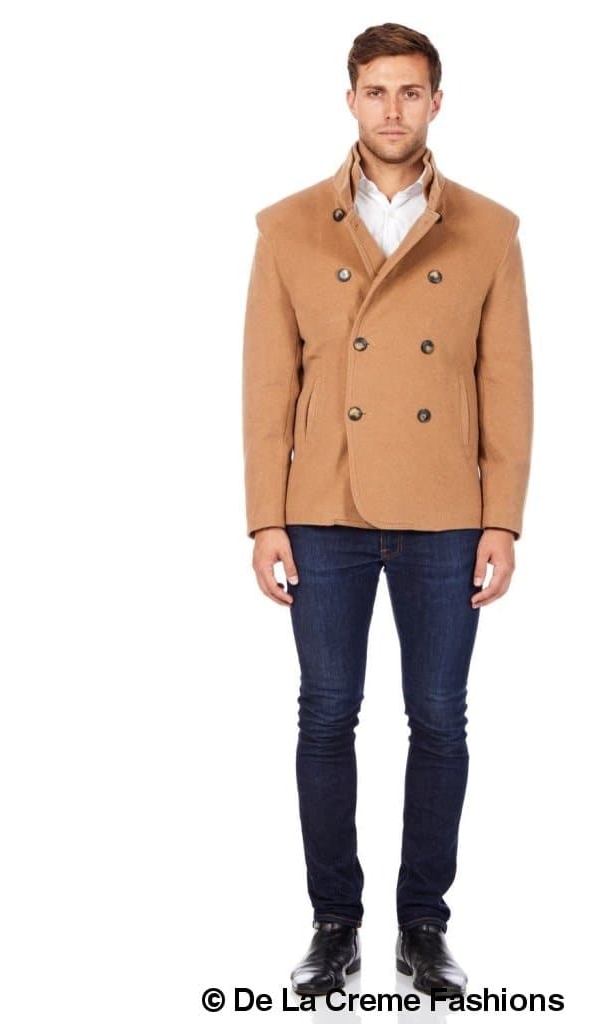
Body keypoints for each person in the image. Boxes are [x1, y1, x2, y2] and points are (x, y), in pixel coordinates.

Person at [241, 22, 533, 999]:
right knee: (327, 714)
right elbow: (266, 387)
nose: (393, 109)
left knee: (439, 718)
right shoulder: (287, 227)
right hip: (324, 505)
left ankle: (423, 926)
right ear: (351, 100)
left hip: (446, 510)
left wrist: (502, 518)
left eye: (411, 92)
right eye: (376, 91)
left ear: (436, 102)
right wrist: (265, 516)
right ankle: (334, 924)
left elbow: (507, 386)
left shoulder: (489, 230)